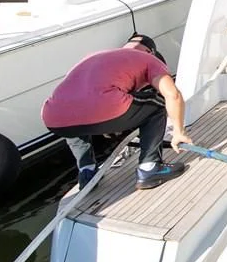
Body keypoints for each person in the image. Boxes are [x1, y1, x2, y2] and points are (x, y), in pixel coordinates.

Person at [42, 33, 193, 189]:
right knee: (158, 104)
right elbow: (173, 95)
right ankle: (150, 167)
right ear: (151, 52)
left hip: (53, 116)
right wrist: (178, 132)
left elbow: (79, 96)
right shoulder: (150, 60)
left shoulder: (94, 56)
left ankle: (87, 171)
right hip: (104, 105)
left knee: (72, 118)